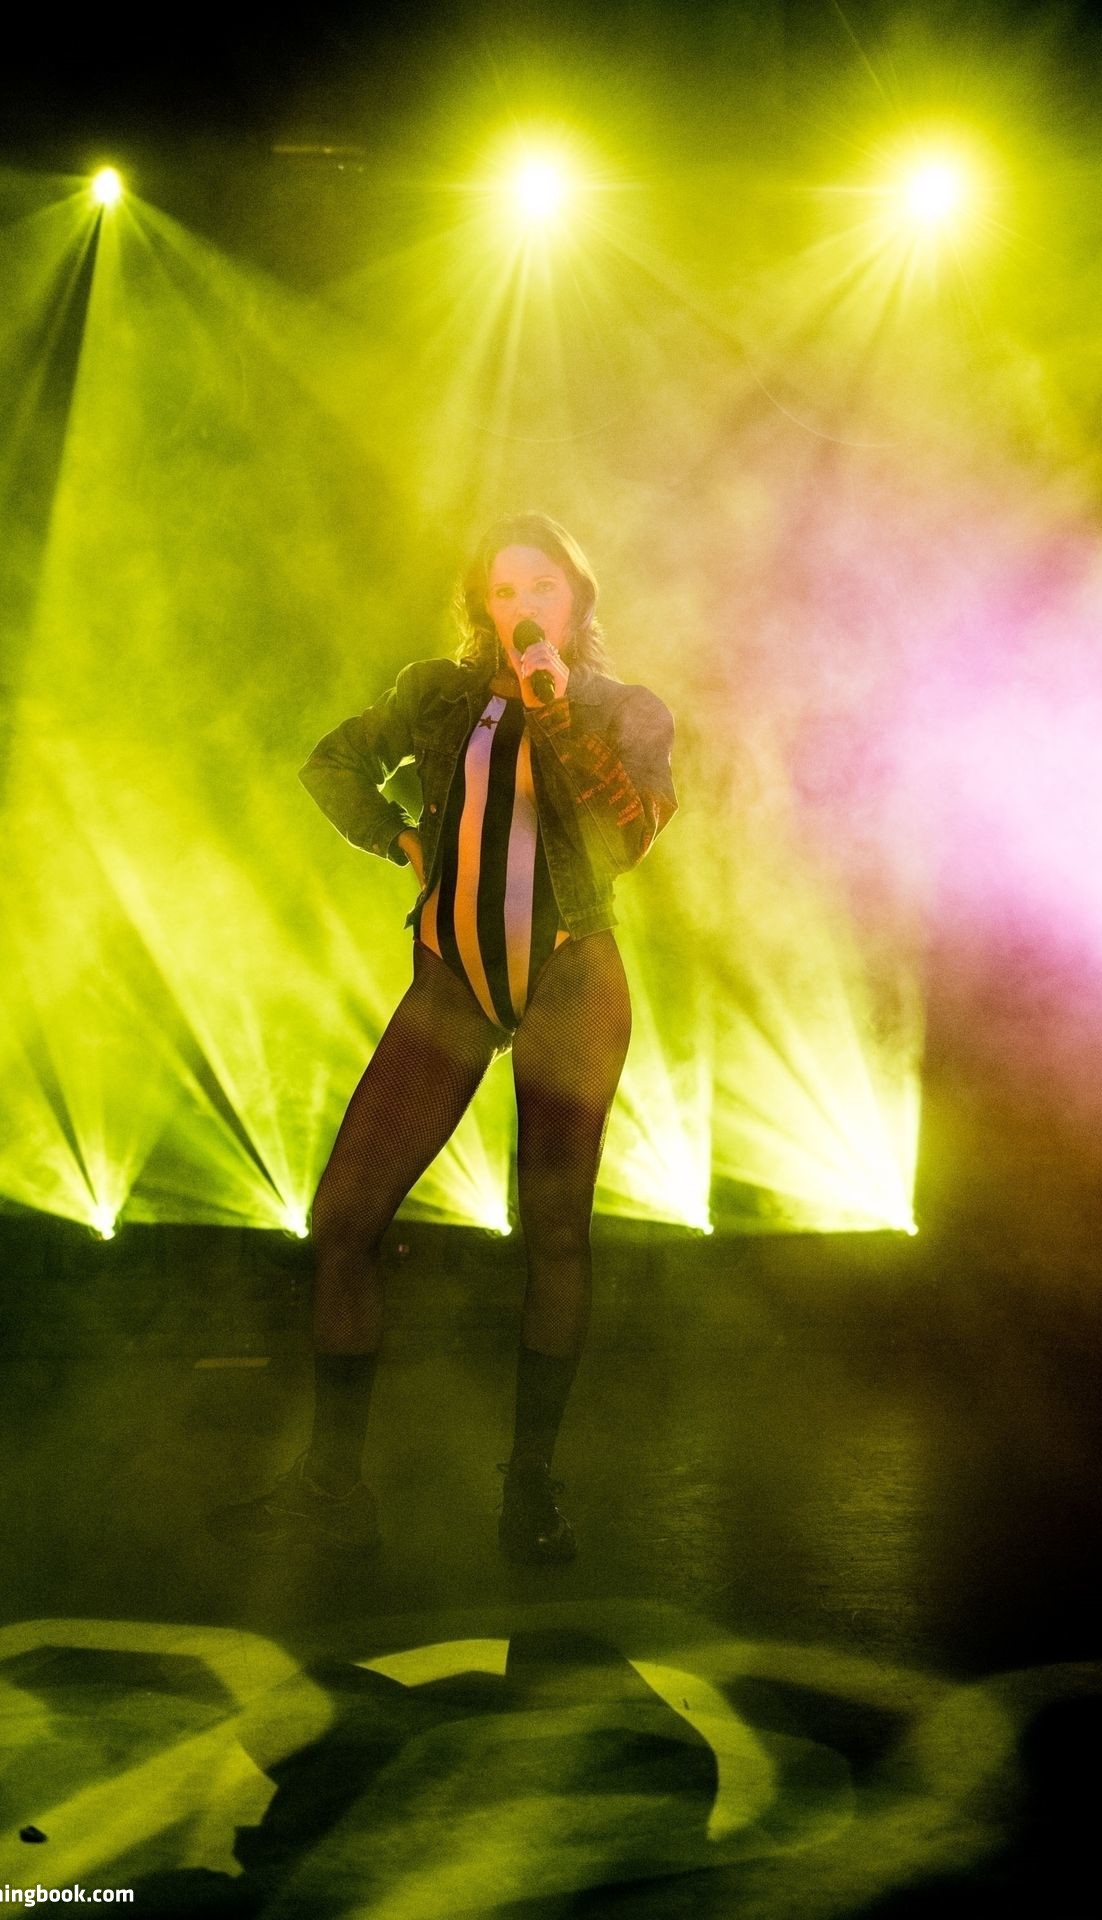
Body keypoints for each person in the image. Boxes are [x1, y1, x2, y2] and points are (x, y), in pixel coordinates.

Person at [211, 513, 677, 1562]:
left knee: (554, 1237)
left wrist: (556, 714)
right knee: (342, 1221)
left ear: (577, 601)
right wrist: (399, 837)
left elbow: (627, 837)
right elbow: (333, 765)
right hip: (451, 982)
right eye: (503, 593)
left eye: (541, 588)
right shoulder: (436, 694)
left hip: (570, 982)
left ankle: (532, 1486)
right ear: (483, 609)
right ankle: (334, 1487)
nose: (522, 608)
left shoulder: (623, 711)